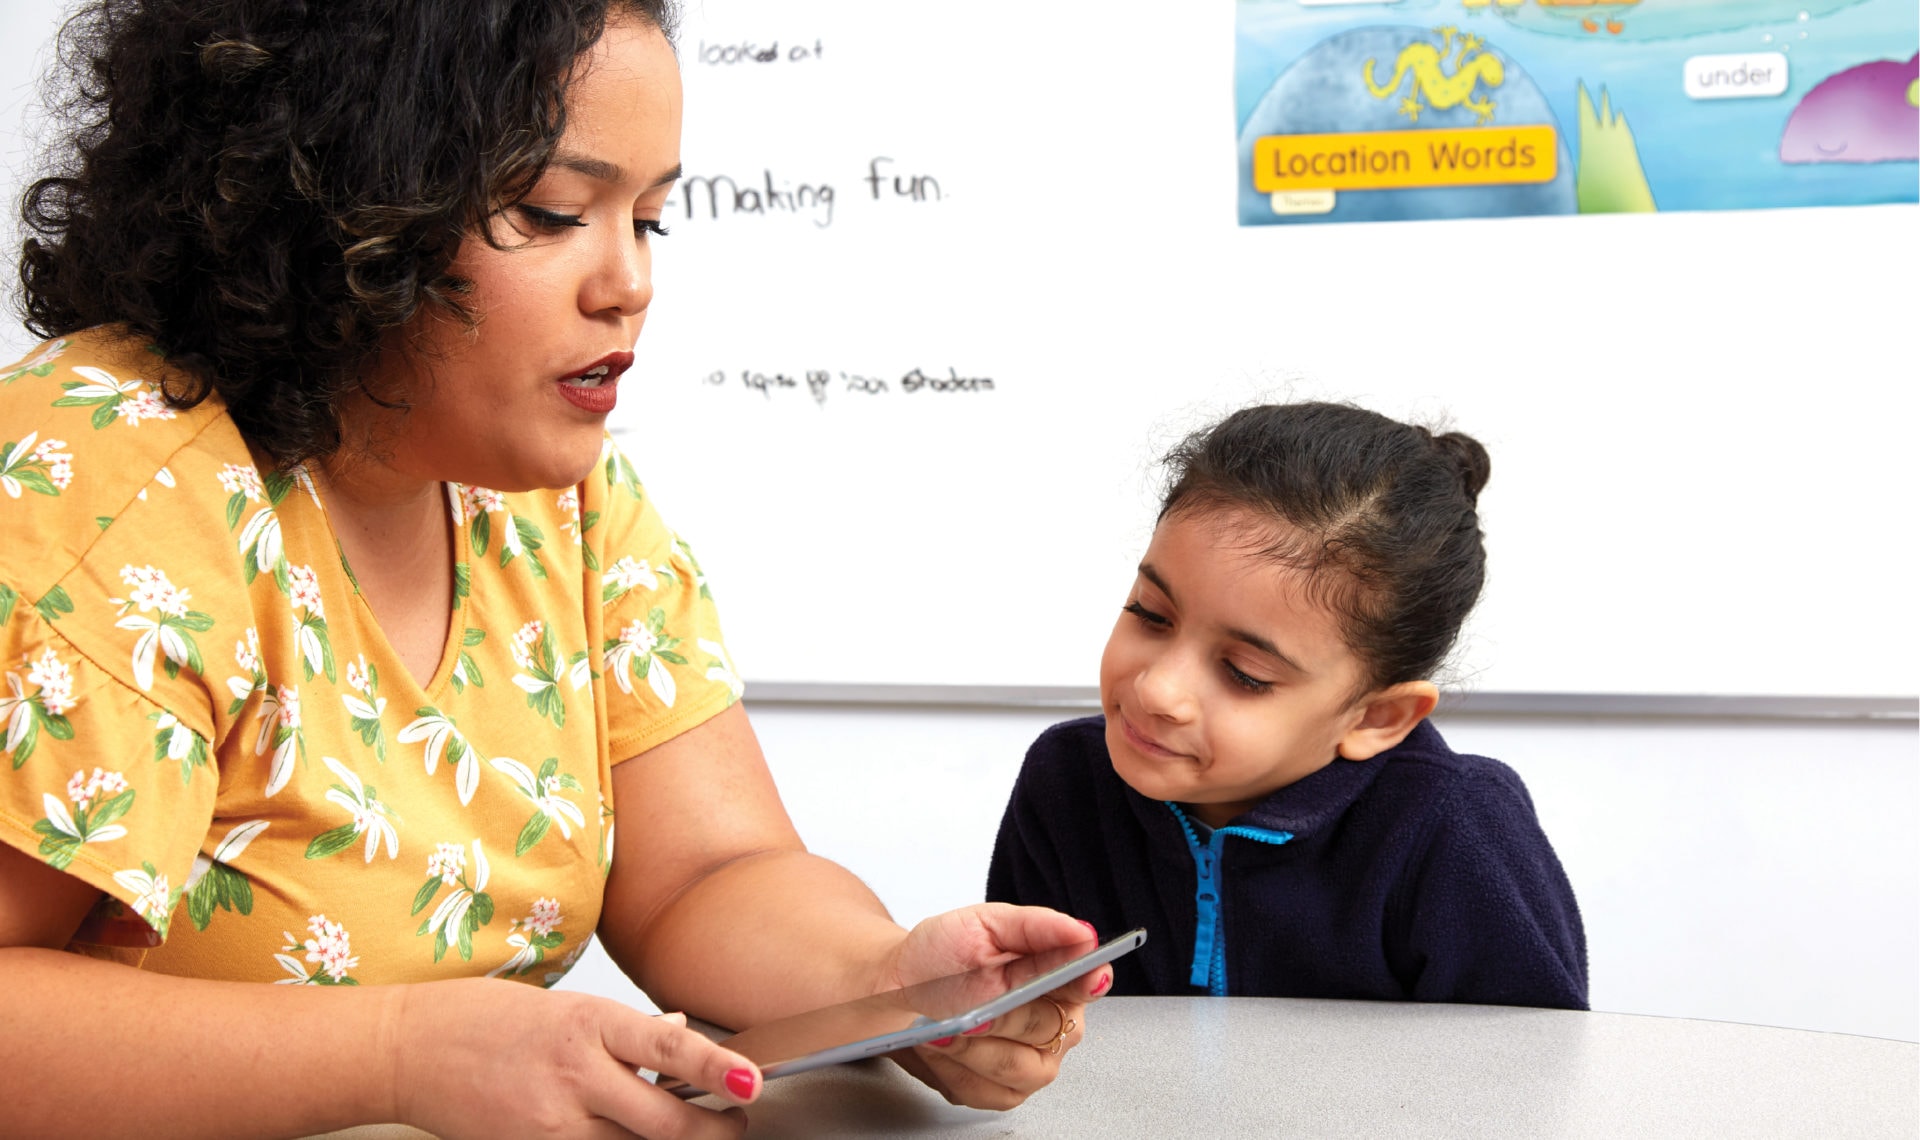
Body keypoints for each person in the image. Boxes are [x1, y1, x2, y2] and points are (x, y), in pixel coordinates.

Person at [0, 2, 1108, 1136]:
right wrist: (395, 1054)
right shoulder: (108, 475)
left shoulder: (557, 495)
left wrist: (886, 981)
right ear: (341, 202)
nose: (628, 281)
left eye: (653, 219)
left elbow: (706, 876)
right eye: (554, 211)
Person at [986, 402, 1588, 1009]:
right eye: (1150, 614)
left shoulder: (1456, 826)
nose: (1157, 690)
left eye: (1245, 674)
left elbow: (1529, 1082)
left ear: (1375, 718)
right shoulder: (1066, 780)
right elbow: (1028, 1021)